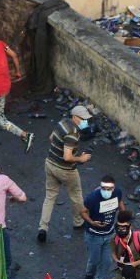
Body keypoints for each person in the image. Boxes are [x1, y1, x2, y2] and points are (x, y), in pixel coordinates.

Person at [37, 104, 93, 244]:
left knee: (49, 197)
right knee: (76, 195)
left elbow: (51, 138)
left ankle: (43, 228)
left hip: (50, 164)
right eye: (83, 119)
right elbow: (67, 157)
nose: (85, 121)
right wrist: (81, 158)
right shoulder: (73, 133)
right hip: (66, 170)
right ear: (74, 117)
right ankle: (79, 221)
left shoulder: (62, 122)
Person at [78, 176, 125, 279]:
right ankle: (89, 276)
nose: (106, 191)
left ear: (113, 188)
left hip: (109, 234)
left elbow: (120, 203)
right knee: (94, 260)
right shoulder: (93, 198)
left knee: (107, 261)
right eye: (103, 188)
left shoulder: (117, 193)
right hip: (93, 235)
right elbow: (82, 212)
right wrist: (91, 222)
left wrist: (123, 218)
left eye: (108, 188)